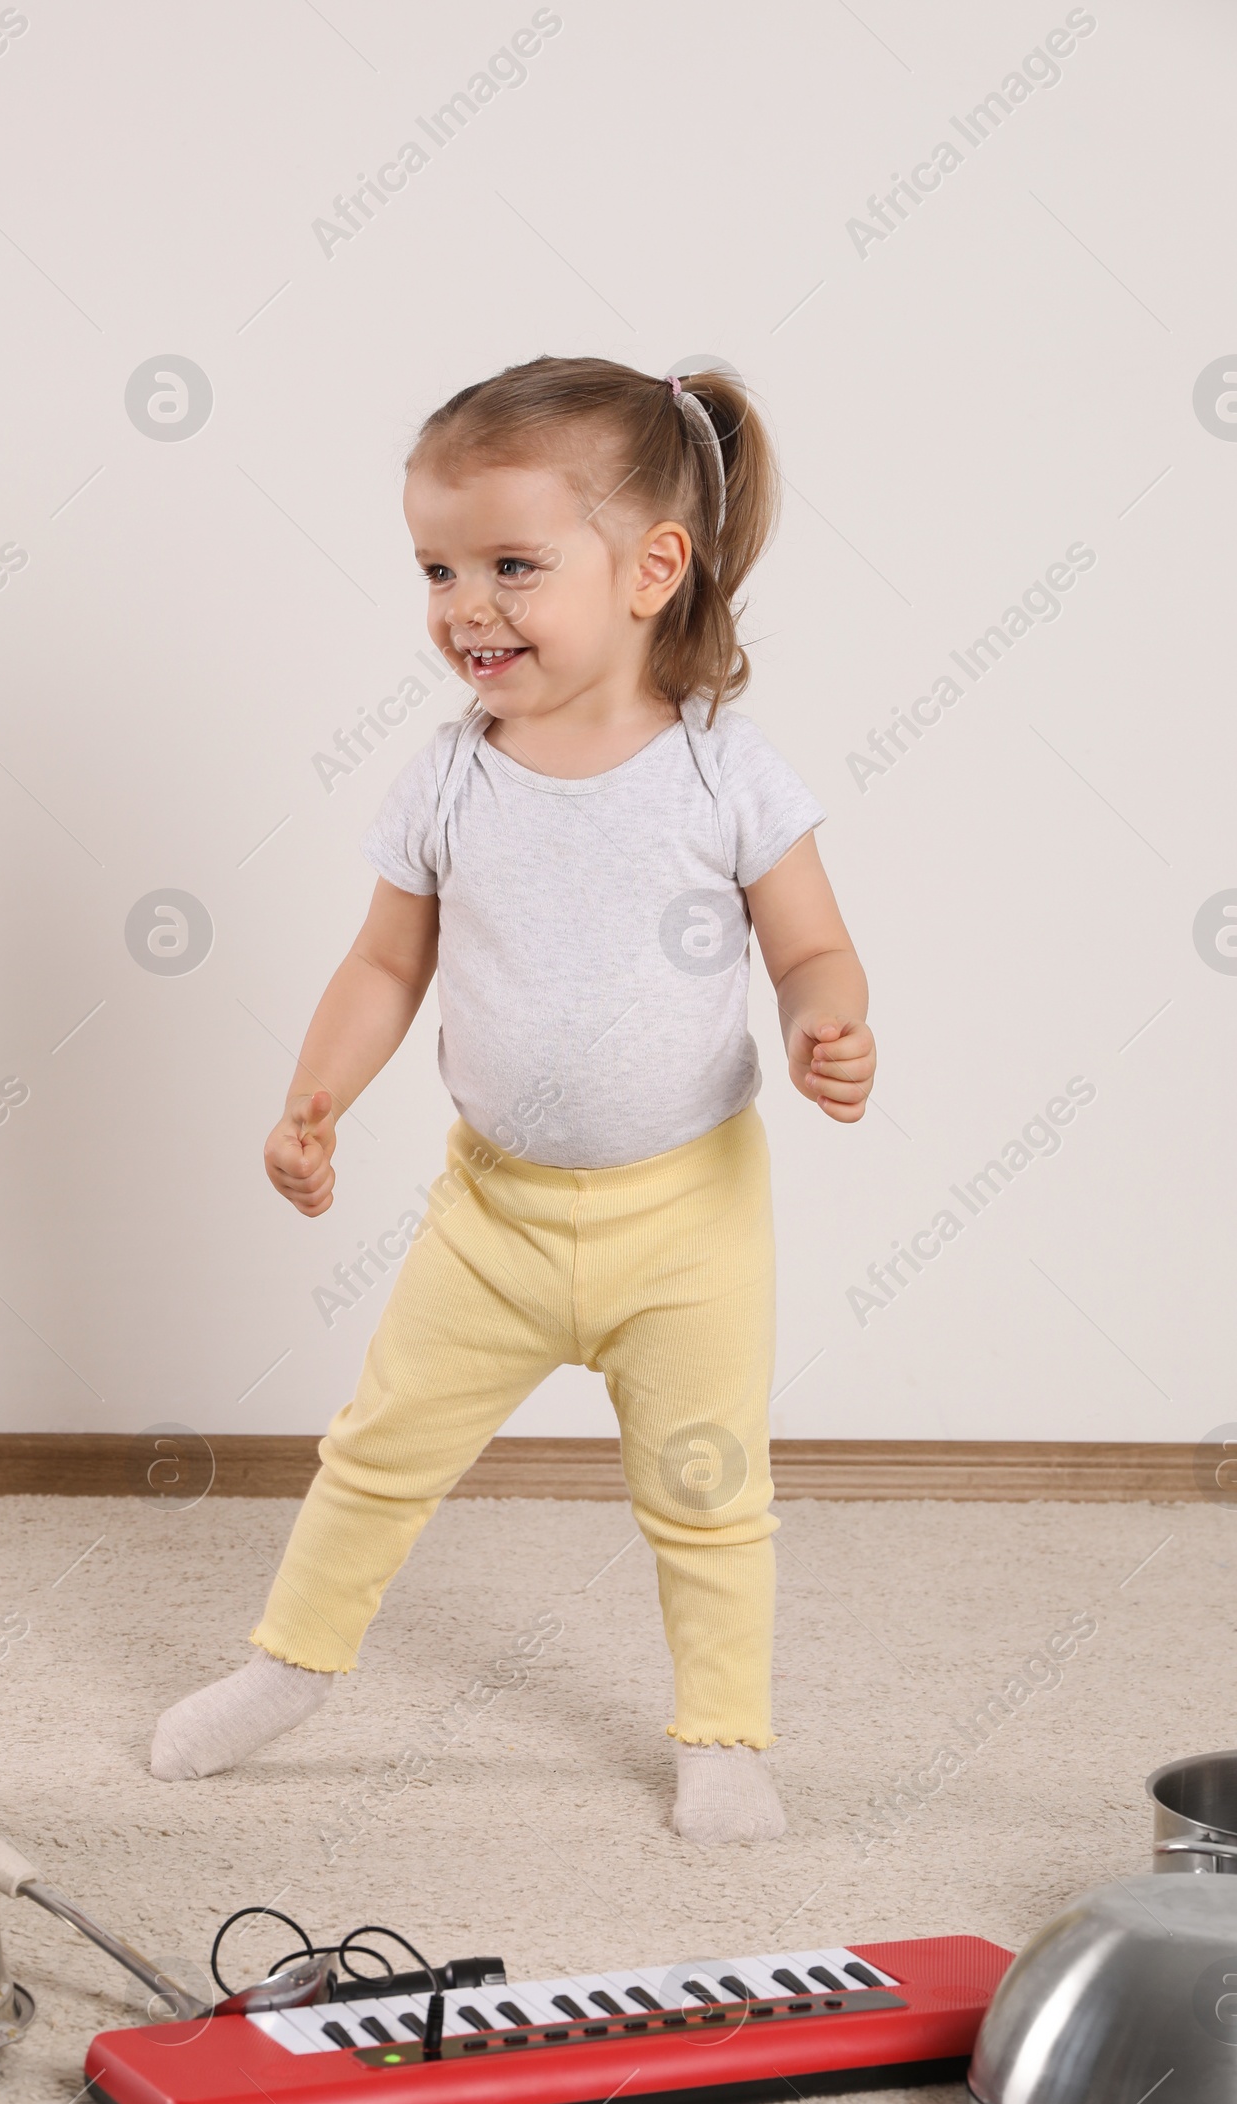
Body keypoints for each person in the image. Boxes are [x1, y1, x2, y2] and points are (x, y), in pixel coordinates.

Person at [152, 354, 875, 1843]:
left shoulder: (724, 772)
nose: (463, 604)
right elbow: (382, 961)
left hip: (689, 1220)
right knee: (377, 1452)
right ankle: (288, 1667)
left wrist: (827, 1024)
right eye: (437, 568)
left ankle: (723, 1734)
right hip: (492, 1213)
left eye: (511, 566)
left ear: (651, 571)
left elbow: (807, 940)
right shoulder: (447, 779)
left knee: (708, 1489)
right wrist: (317, 1097)